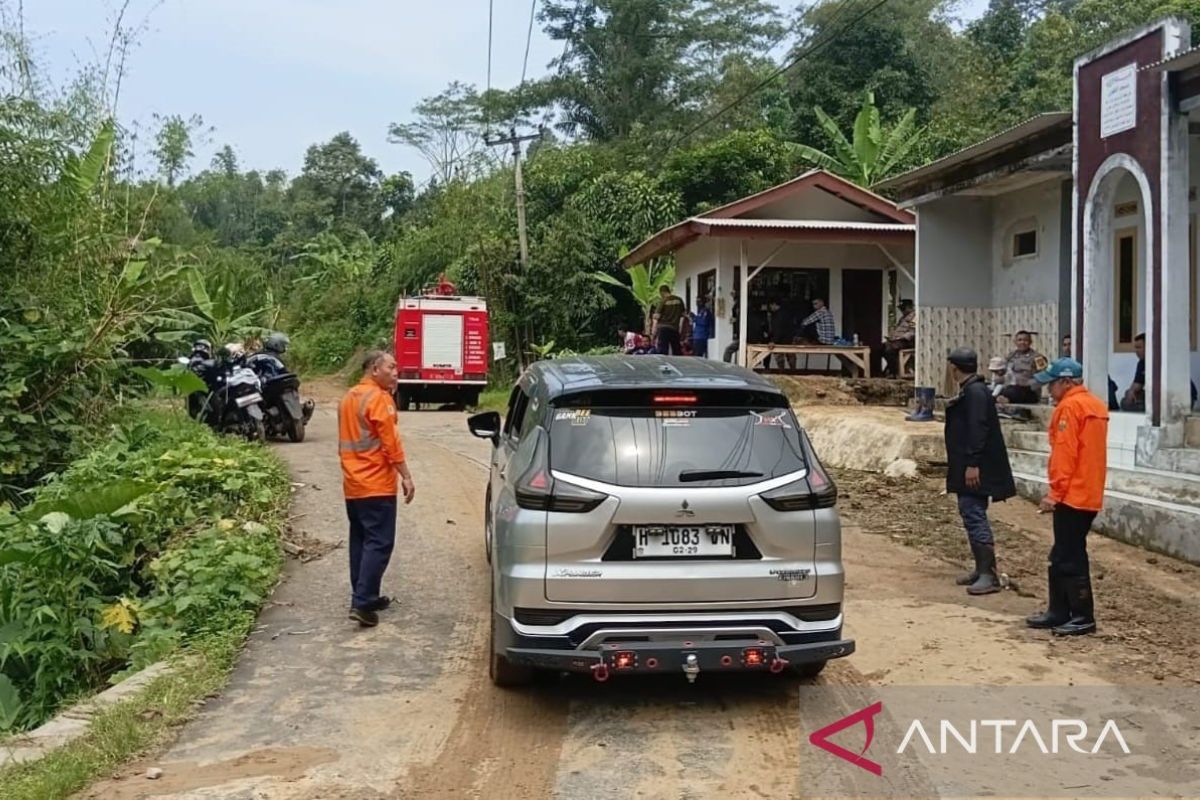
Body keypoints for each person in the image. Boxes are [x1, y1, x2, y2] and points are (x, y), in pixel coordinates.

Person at [1026, 358, 1108, 636]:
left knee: (1069, 556)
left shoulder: (1070, 407)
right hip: (1088, 491)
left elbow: (1065, 454)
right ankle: (1059, 611)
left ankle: (1082, 616)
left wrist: (1054, 493)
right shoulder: (1094, 405)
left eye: (1052, 383)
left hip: (1072, 494)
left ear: (1066, 382)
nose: (1049, 389)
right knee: (1062, 553)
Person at [338, 350, 416, 627]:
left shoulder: (349, 397)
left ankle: (365, 595)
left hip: (353, 483)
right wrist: (405, 475)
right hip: (376, 484)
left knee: (361, 540)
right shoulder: (379, 399)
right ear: (374, 369)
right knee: (380, 542)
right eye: (391, 368)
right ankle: (362, 603)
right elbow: (390, 442)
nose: (396, 373)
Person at [943, 347, 1016, 596]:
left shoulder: (975, 393)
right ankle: (980, 567)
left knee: (974, 513)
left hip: (976, 467)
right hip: (970, 464)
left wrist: (972, 464)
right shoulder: (974, 390)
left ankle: (989, 573)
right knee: (970, 511)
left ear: (954, 368)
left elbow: (978, 429)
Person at [997, 330, 1047, 405]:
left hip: (1029, 391)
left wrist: (1028, 383)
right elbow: (1004, 371)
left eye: (1025, 340)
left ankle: (1005, 400)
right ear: (1015, 342)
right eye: (1019, 340)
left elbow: (1045, 376)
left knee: (1014, 391)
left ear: (1030, 342)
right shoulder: (1011, 355)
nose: (1022, 343)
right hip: (1010, 388)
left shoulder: (1038, 357)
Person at [877, 300, 916, 377]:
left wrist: (900, 338)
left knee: (889, 349)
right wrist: (892, 337)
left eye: (903, 308)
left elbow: (913, 332)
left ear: (909, 307)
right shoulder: (903, 318)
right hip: (897, 341)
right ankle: (890, 369)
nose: (902, 310)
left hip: (907, 342)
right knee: (881, 348)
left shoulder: (914, 317)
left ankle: (894, 372)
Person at [652, 285, 686, 356]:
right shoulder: (679, 300)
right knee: (676, 349)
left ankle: (665, 365)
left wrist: (654, 330)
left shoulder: (663, 301)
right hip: (674, 328)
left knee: (663, 350)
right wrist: (680, 328)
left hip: (663, 328)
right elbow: (683, 315)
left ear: (661, 292)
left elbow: (656, 317)